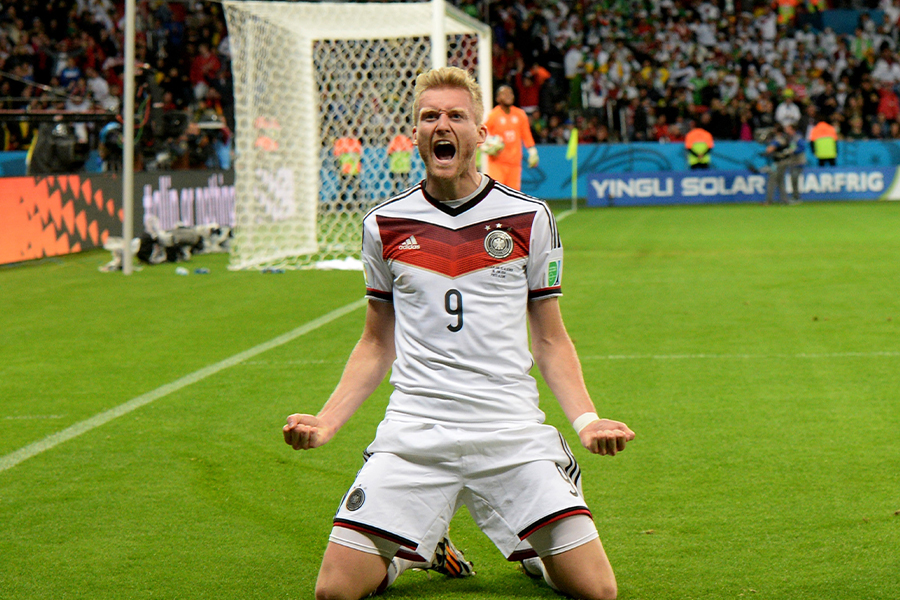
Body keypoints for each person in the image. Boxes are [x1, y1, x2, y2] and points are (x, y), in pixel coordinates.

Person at [283, 66, 635, 600]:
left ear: (479, 133)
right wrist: (327, 422)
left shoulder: (529, 217)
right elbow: (376, 342)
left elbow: (550, 338)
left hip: (509, 431)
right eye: (429, 116)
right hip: (416, 434)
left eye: (455, 116)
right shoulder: (383, 224)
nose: (441, 124)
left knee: (597, 591)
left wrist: (586, 419)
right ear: (416, 133)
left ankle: (534, 554)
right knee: (333, 593)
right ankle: (415, 551)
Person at [483, 84, 539, 190]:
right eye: (504, 94)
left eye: (510, 93)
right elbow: (482, 134)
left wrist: (533, 152)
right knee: (497, 194)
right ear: (498, 98)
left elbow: (526, 134)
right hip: (497, 163)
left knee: (513, 196)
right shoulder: (493, 116)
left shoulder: (520, 114)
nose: (509, 96)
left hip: (514, 163)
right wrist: (486, 144)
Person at [765, 123, 806, 205]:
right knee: (787, 180)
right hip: (791, 162)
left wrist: (792, 151)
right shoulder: (789, 138)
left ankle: (795, 197)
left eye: (788, 128)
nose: (786, 130)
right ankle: (787, 199)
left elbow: (802, 147)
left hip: (797, 162)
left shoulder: (796, 137)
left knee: (793, 179)